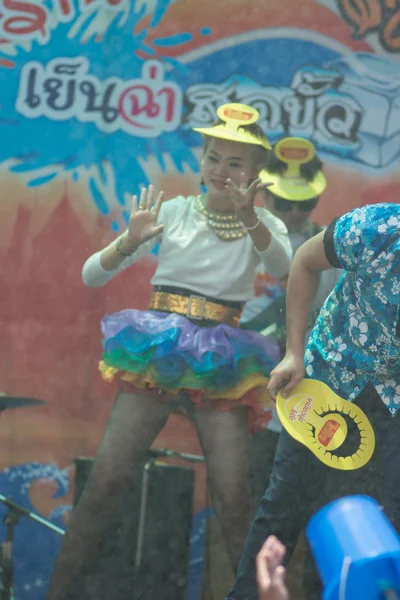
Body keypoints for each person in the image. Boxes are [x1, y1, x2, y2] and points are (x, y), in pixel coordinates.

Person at [45, 103, 292, 600]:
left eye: (236, 163)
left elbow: (283, 265)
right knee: (107, 481)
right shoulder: (173, 211)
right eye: (214, 158)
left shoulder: (263, 222)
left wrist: (251, 220)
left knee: (233, 497)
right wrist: (128, 242)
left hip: (223, 360)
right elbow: (92, 274)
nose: (222, 171)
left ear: (257, 172)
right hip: (158, 353)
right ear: (201, 159)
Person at [226, 202, 400, 600]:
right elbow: (304, 261)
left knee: (382, 520)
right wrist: (294, 351)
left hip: (393, 396)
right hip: (329, 374)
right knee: (282, 507)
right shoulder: (377, 227)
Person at [240, 137, 340, 502]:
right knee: (246, 488)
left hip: (303, 382)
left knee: (305, 491)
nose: (294, 212)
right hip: (244, 375)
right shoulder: (245, 235)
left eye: (303, 202)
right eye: (284, 202)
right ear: (265, 193)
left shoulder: (331, 243)